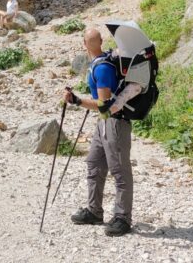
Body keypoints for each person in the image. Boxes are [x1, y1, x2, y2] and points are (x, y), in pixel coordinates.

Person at [63, 28, 135, 237]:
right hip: (104, 123)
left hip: (114, 122)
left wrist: (77, 101)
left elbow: (104, 104)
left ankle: (122, 218)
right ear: (101, 41)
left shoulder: (102, 68)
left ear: (84, 44)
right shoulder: (98, 64)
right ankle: (94, 211)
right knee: (94, 162)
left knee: (120, 170)